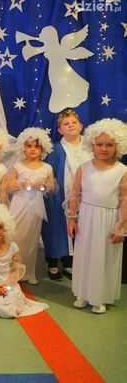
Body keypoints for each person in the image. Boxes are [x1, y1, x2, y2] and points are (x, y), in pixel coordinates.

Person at [67, 118, 127, 314]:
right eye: (99, 144)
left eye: (109, 145)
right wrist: (71, 218)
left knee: (105, 258)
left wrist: (121, 227)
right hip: (87, 218)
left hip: (109, 220)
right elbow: (75, 194)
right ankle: (83, 293)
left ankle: (100, 296)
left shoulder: (122, 171)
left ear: (118, 146)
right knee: (85, 256)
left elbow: (125, 201)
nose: (103, 149)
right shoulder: (84, 168)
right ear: (92, 144)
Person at [0, 204, 49, 318]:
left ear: (6, 228)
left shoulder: (13, 247)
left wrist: (6, 285)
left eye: (0, 227)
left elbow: (16, 268)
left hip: (10, 285)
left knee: (11, 306)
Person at [41, 109, 92, 281]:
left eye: (74, 122)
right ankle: (53, 262)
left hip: (86, 195)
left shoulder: (90, 147)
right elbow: (49, 172)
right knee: (56, 226)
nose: (70, 126)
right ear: (60, 130)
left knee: (80, 227)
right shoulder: (54, 149)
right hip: (60, 195)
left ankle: (70, 261)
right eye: (65, 124)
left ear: (81, 126)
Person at [7, 127, 56, 285]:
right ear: (24, 148)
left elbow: (52, 188)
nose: (33, 149)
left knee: (31, 238)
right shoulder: (18, 166)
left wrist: (41, 186)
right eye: (29, 146)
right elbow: (9, 186)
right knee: (16, 237)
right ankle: (13, 271)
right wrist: (22, 184)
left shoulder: (47, 168)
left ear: (43, 148)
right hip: (19, 204)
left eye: (36, 146)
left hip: (36, 206)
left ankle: (29, 272)